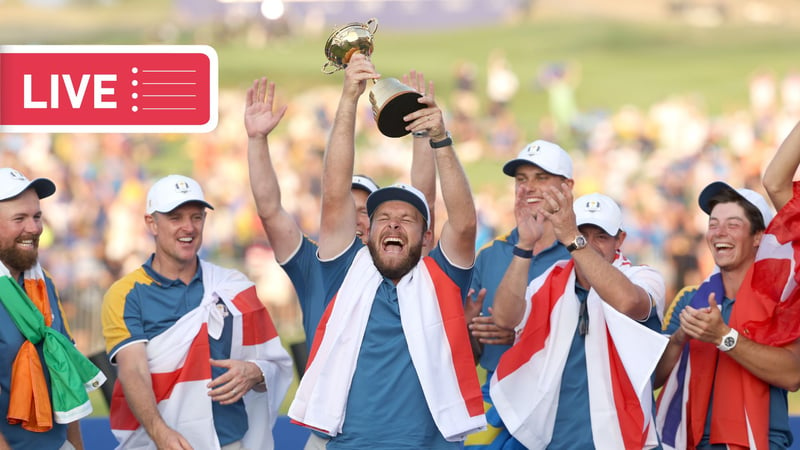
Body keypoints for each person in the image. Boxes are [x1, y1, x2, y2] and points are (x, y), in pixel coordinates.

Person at [288, 52, 486, 449]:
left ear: (427, 239)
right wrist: (348, 99)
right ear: (366, 231)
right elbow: (334, 192)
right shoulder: (344, 271)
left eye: (408, 219)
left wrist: (438, 139)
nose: (394, 223)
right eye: (384, 217)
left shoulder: (439, 277)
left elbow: (463, 224)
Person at [244, 74, 435, 357]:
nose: (354, 220)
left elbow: (423, 205)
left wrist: (422, 133)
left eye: (364, 212)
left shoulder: (402, 263)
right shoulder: (312, 265)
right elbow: (270, 211)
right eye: (346, 211)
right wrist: (257, 140)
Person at [101, 174, 293, 450]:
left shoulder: (234, 287)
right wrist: (160, 433)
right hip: (159, 444)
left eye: (197, 217)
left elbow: (273, 364)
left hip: (230, 441)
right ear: (151, 223)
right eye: (175, 217)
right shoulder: (125, 294)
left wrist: (254, 372)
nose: (188, 227)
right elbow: (133, 371)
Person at [655, 123, 800, 449]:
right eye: (713, 224)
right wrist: (679, 339)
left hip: (760, 442)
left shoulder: (783, 300)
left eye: (733, 224)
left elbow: (793, 375)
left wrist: (723, 337)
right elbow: (653, 379)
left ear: (759, 237)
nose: (719, 233)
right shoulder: (690, 299)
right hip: (688, 442)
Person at [490, 189, 667, 449]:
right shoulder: (550, 279)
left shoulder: (643, 277)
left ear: (621, 240)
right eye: (582, 233)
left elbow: (628, 301)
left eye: (601, 237)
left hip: (623, 439)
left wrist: (574, 237)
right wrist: (524, 246)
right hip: (554, 439)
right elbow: (505, 318)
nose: (589, 243)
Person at [463, 140, 573, 449]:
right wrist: (468, 330)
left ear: (567, 187)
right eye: (521, 180)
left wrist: (523, 337)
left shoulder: (583, 254)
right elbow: (469, 356)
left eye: (541, 178)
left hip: (562, 409)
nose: (528, 187)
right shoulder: (490, 254)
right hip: (497, 407)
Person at [0, 168, 106, 450]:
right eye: (19, 218)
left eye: (36, 216)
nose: (34, 228)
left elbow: (63, 370)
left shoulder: (42, 281)